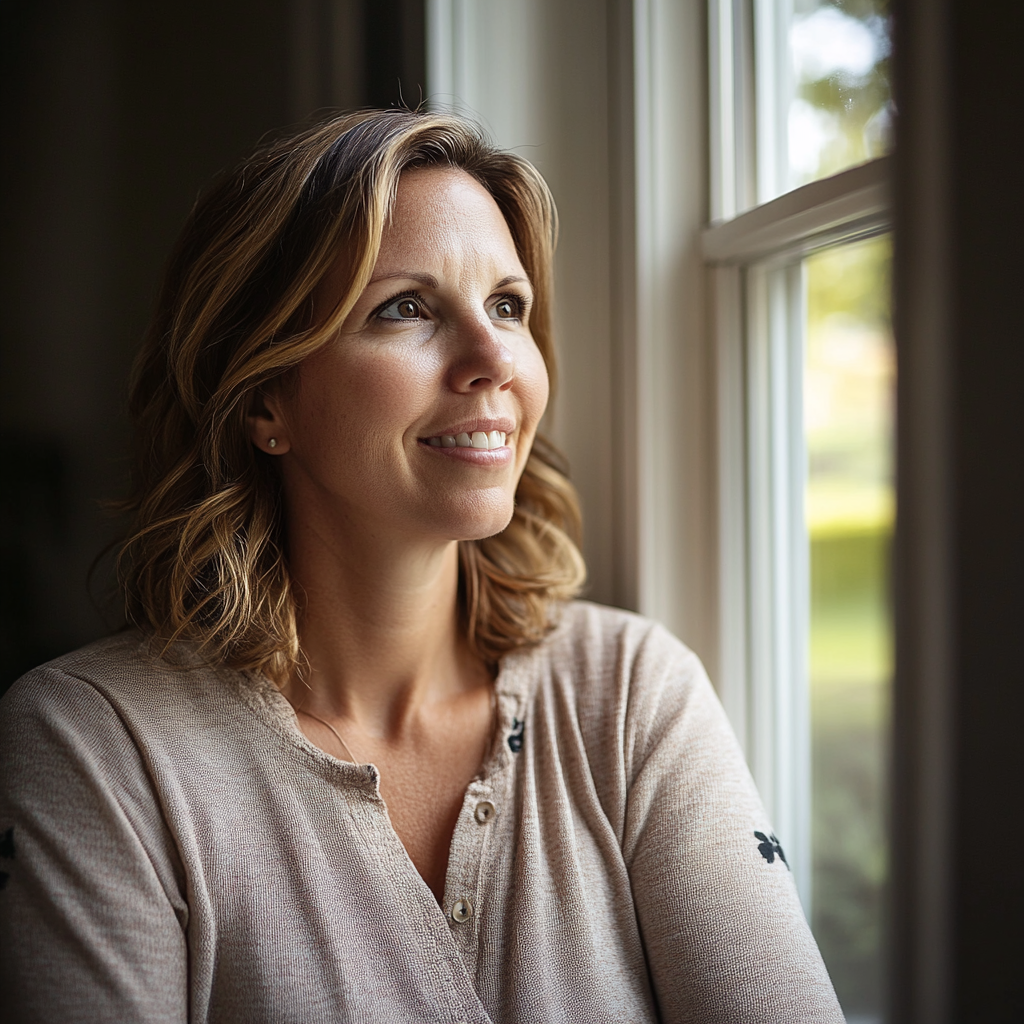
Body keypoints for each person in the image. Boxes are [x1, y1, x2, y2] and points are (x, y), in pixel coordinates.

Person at [0, 109, 844, 1023]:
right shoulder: (94, 748)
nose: (494, 361)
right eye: (406, 308)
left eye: (509, 306)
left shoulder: (632, 695)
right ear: (262, 398)